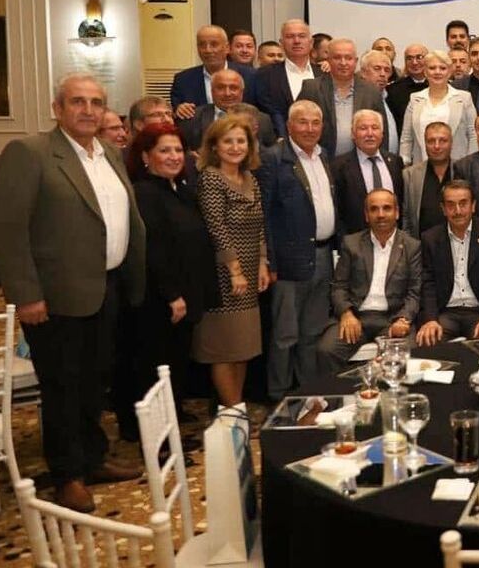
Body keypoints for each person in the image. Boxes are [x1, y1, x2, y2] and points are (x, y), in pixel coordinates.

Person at [0, 73, 147, 513]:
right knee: (62, 386)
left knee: (95, 381)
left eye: (96, 102)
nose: (88, 110)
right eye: (77, 101)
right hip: (54, 297)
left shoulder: (110, 153)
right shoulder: (30, 153)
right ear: (57, 108)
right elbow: (7, 230)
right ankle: (67, 475)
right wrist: (26, 294)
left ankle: (92, 458)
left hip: (106, 286)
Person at [125, 123, 219, 427]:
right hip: (162, 299)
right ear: (145, 156)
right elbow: (154, 249)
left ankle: (173, 418)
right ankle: (159, 437)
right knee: (157, 367)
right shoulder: (144, 193)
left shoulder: (180, 191)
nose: (174, 156)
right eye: (164, 150)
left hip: (186, 294)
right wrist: (173, 295)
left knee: (176, 361)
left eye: (178, 150)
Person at [258, 100, 336, 398]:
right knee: (285, 334)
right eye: (302, 122)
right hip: (288, 261)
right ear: (289, 125)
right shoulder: (273, 158)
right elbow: (264, 214)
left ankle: (307, 392)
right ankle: (279, 395)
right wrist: (270, 262)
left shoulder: (323, 155)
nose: (310, 128)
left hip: (323, 256)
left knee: (312, 332)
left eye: (315, 123)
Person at [195, 114, 271, 408]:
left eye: (241, 141)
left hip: (250, 271)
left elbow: (260, 225)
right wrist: (235, 270)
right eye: (228, 141)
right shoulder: (211, 178)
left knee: (242, 348)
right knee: (225, 349)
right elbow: (216, 228)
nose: (235, 147)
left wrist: (262, 262)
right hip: (225, 274)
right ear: (215, 146)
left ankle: (235, 407)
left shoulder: (250, 178)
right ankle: (232, 412)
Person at [317, 189, 422, 372]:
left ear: (397, 213)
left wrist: (404, 319)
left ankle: (392, 390)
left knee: (409, 352)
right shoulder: (352, 243)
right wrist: (346, 313)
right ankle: (343, 391)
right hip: (356, 317)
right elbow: (339, 286)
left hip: (392, 319)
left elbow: (415, 291)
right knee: (326, 350)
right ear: (366, 215)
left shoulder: (411, 246)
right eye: (374, 209)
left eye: (386, 208)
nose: (380, 214)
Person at [416, 180, 479, 345]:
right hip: (446, 313)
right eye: (451, 205)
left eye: (463, 204)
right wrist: (430, 319)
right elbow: (427, 282)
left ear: (473, 206)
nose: (457, 211)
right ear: (443, 209)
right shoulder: (430, 238)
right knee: (429, 341)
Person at [302, 38, 388, 160]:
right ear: (328, 60)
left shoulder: (371, 92)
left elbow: (382, 132)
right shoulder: (311, 88)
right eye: (337, 58)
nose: (343, 63)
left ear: (356, 61)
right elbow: (298, 126)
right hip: (320, 161)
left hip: (359, 165)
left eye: (348, 58)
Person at [330, 109, 404, 236]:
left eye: (375, 128)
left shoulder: (395, 163)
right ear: (353, 134)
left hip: (392, 239)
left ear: (382, 133)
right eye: (363, 128)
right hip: (355, 241)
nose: (370, 134)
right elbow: (337, 212)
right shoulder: (338, 167)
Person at [400, 50, 477, 165]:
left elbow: (473, 135)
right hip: (422, 166)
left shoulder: (464, 98)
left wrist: (470, 164)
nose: (437, 72)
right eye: (432, 68)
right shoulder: (415, 99)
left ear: (450, 71)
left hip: (457, 167)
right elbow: (406, 137)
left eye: (442, 68)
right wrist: (404, 163)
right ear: (425, 72)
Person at [178, 68, 276, 151]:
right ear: (212, 92)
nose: (227, 93)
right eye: (221, 88)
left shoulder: (262, 120)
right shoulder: (192, 118)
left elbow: (269, 156)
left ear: (242, 92)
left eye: (233, 88)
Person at [253, 19, 320, 137]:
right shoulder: (263, 75)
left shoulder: (324, 74)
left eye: (302, 36)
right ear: (281, 43)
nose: (297, 41)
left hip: (319, 145)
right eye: (290, 36)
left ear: (311, 42)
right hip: (277, 144)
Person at [170, 25, 257, 116]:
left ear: (227, 48)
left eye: (214, 44)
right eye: (202, 45)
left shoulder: (251, 76)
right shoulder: (183, 80)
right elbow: (176, 114)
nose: (208, 50)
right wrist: (180, 109)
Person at [402, 121, 455, 239]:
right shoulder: (410, 176)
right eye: (431, 141)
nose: (437, 146)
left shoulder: (462, 170)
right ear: (424, 144)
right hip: (420, 246)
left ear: (451, 143)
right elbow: (405, 218)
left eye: (443, 141)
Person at [357, 48, 402, 154]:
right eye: (377, 68)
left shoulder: (390, 98)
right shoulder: (358, 99)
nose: (382, 74)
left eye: (387, 70)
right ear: (363, 72)